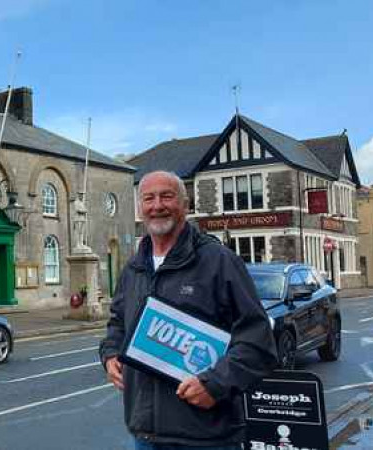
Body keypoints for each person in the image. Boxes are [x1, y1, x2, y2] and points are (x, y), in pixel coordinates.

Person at [99, 171, 277, 449]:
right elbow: (118, 323)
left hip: (205, 437)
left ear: (185, 204)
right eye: (149, 198)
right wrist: (110, 355)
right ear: (140, 208)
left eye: (167, 196)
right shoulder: (133, 268)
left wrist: (215, 384)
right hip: (144, 435)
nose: (157, 205)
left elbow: (258, 342)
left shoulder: (220, 262)